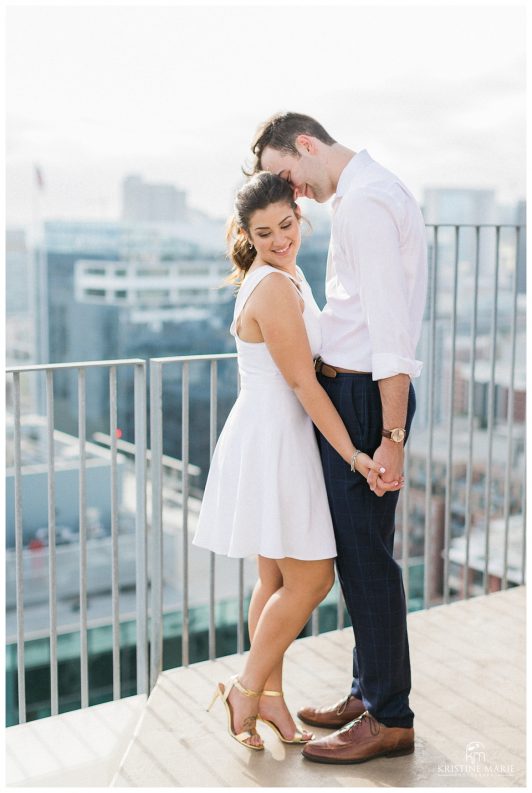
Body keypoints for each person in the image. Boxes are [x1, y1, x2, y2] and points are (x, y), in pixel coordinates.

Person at [192, 171, 403, 751]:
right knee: (312, 578)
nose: (281, 238)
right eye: (265, 233)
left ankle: (272, 703)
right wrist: (359, 455)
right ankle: (246, 688)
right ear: (247, 234)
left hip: (270, 435)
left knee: (275, 578)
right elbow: (306, 388)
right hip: (277, 439)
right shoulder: (275, 289)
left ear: (299, 217)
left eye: (287, 225)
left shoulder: (284, 272)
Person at [251, 112, 427, 764]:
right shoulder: (369, 194)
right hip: (360, 399)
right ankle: (368, 690)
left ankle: (389, 716)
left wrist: (391, 438)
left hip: (366, 402)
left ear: (306, 145)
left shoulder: (365, 206)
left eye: (285, 176)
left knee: (366, 563)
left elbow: (389, 337)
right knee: (365, 554)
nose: (288, 193)